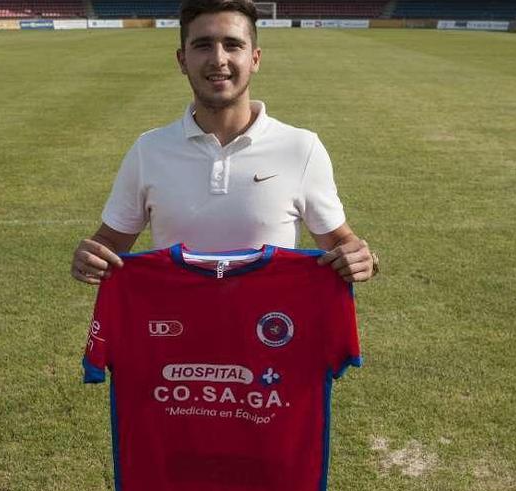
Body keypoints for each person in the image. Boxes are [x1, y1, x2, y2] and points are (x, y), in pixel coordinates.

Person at [71, 0, 378, 284]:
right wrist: (92, 255)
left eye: (233, 45)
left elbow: (340, 242)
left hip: (267, 334)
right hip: (178, 333)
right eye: (203, 45)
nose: (218, 59)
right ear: (182, 60)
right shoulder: (149, 150)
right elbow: (110, 243)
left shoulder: (301, 148)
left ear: (255, 58)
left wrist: (363, 258)